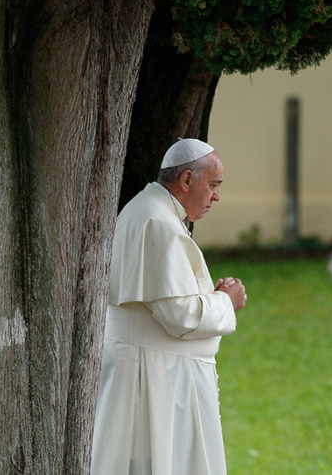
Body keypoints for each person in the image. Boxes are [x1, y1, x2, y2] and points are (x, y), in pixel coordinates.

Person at [92, 138, 247, 475]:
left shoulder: (153, 211)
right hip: (149, 376)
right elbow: (180, 316)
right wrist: (226, 301)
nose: (217, 197)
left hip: (152, 370)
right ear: (187, 180)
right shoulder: (157, 222)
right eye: (214, 185)